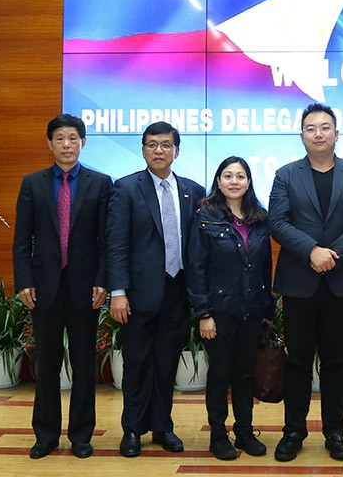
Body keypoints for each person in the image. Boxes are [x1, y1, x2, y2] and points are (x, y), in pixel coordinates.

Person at [268, 102, 343, 462]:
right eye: (311, 128)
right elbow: (278, 222)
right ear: (302, 135)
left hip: (339, 280)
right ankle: (293, 431)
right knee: (298, 361)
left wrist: (332, 255)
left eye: (325, 127)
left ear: (336, 133)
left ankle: (335, 432)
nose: (318, 133)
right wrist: (312, 251)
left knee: (334, 361)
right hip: (299, 281)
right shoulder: (285, 175)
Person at [12, 114, 112, 460]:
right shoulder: (33, 183)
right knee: (47, 364)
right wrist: (24, 280)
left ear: (83, 142)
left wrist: (103, 280)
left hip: (86, 288)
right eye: (59, 138)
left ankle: (82, 436)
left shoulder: (101, 183)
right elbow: (22, 239)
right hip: (44, 288)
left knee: (84, 365)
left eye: (72, 138)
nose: (66, 145)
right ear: (49, 143)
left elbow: (106, 240)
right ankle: (46, 435)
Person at [106, 121, 205, 458]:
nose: (158, 151)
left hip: (177, 292)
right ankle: (133, 429)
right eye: (152, 145)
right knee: (136, 364)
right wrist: (118, 291)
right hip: (137, 294)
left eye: (165, 145)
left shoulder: (193, 190)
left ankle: (163, 426)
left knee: (166, 363)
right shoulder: (126, 188)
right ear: (143, 150)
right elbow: (116, 244)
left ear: (177, 150)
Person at [187, 156, 273, 461]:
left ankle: (244, 432)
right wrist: (203, 313)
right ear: (218, 181)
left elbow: (265, 267)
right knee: (220, 374)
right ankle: (218, 435)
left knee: (245, 374)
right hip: (219, 312)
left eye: (240, 176)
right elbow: (196, 268)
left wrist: (266, 308)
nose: (234, 181)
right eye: (228, 175)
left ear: (248, 182)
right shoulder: (206, 216)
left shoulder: (260, 217)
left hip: (251, 311)